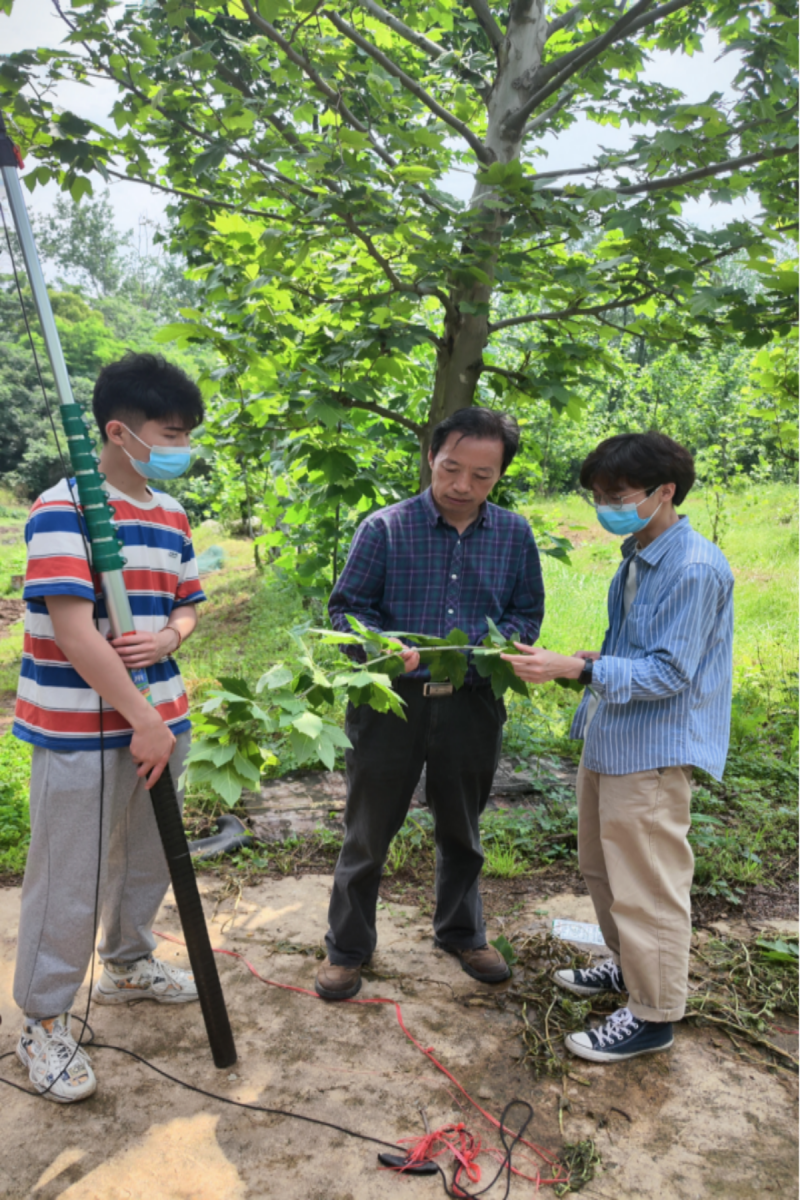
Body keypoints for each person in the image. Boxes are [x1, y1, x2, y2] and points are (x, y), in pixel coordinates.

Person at [502, 432, 734, 1063]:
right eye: (599, 496)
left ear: (665, 492)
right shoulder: (641, 554)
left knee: (648, 886)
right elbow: (642, 653)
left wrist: (574, 672)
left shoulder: (692, 567)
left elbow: (669, 673)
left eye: (619, 495)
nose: (607, 507)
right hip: (613, 737)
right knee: (603, 870)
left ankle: (653, 1014)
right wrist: (595, 660)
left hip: (652, 753)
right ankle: (629, 968)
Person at [12, 352, 207, 1102]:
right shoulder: (62, 509)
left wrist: (168, 639)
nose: (182, 444)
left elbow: (187, 602)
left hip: (162, 719)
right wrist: (142, 718)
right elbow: (73, 631)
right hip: (81, 728)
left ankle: (128, 962)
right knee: (71, 877)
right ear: (120, 431)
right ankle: (43, 1019)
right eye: (172, 431)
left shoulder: (170, 512)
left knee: (147, 856)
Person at [315, 407, 545, 1001]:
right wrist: (379, 644)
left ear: (499, 475)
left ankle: (462, 932)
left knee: (463, 829)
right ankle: (347, 947)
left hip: (472, 702)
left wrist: (499, 647)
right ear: (431, 458)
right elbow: (344, 610)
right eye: (451, 468)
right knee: (368, 829)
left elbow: (526, 614)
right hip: (391, 702)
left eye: (482, 475)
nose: (463, 485)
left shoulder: (515, 535)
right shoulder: (385, 529)